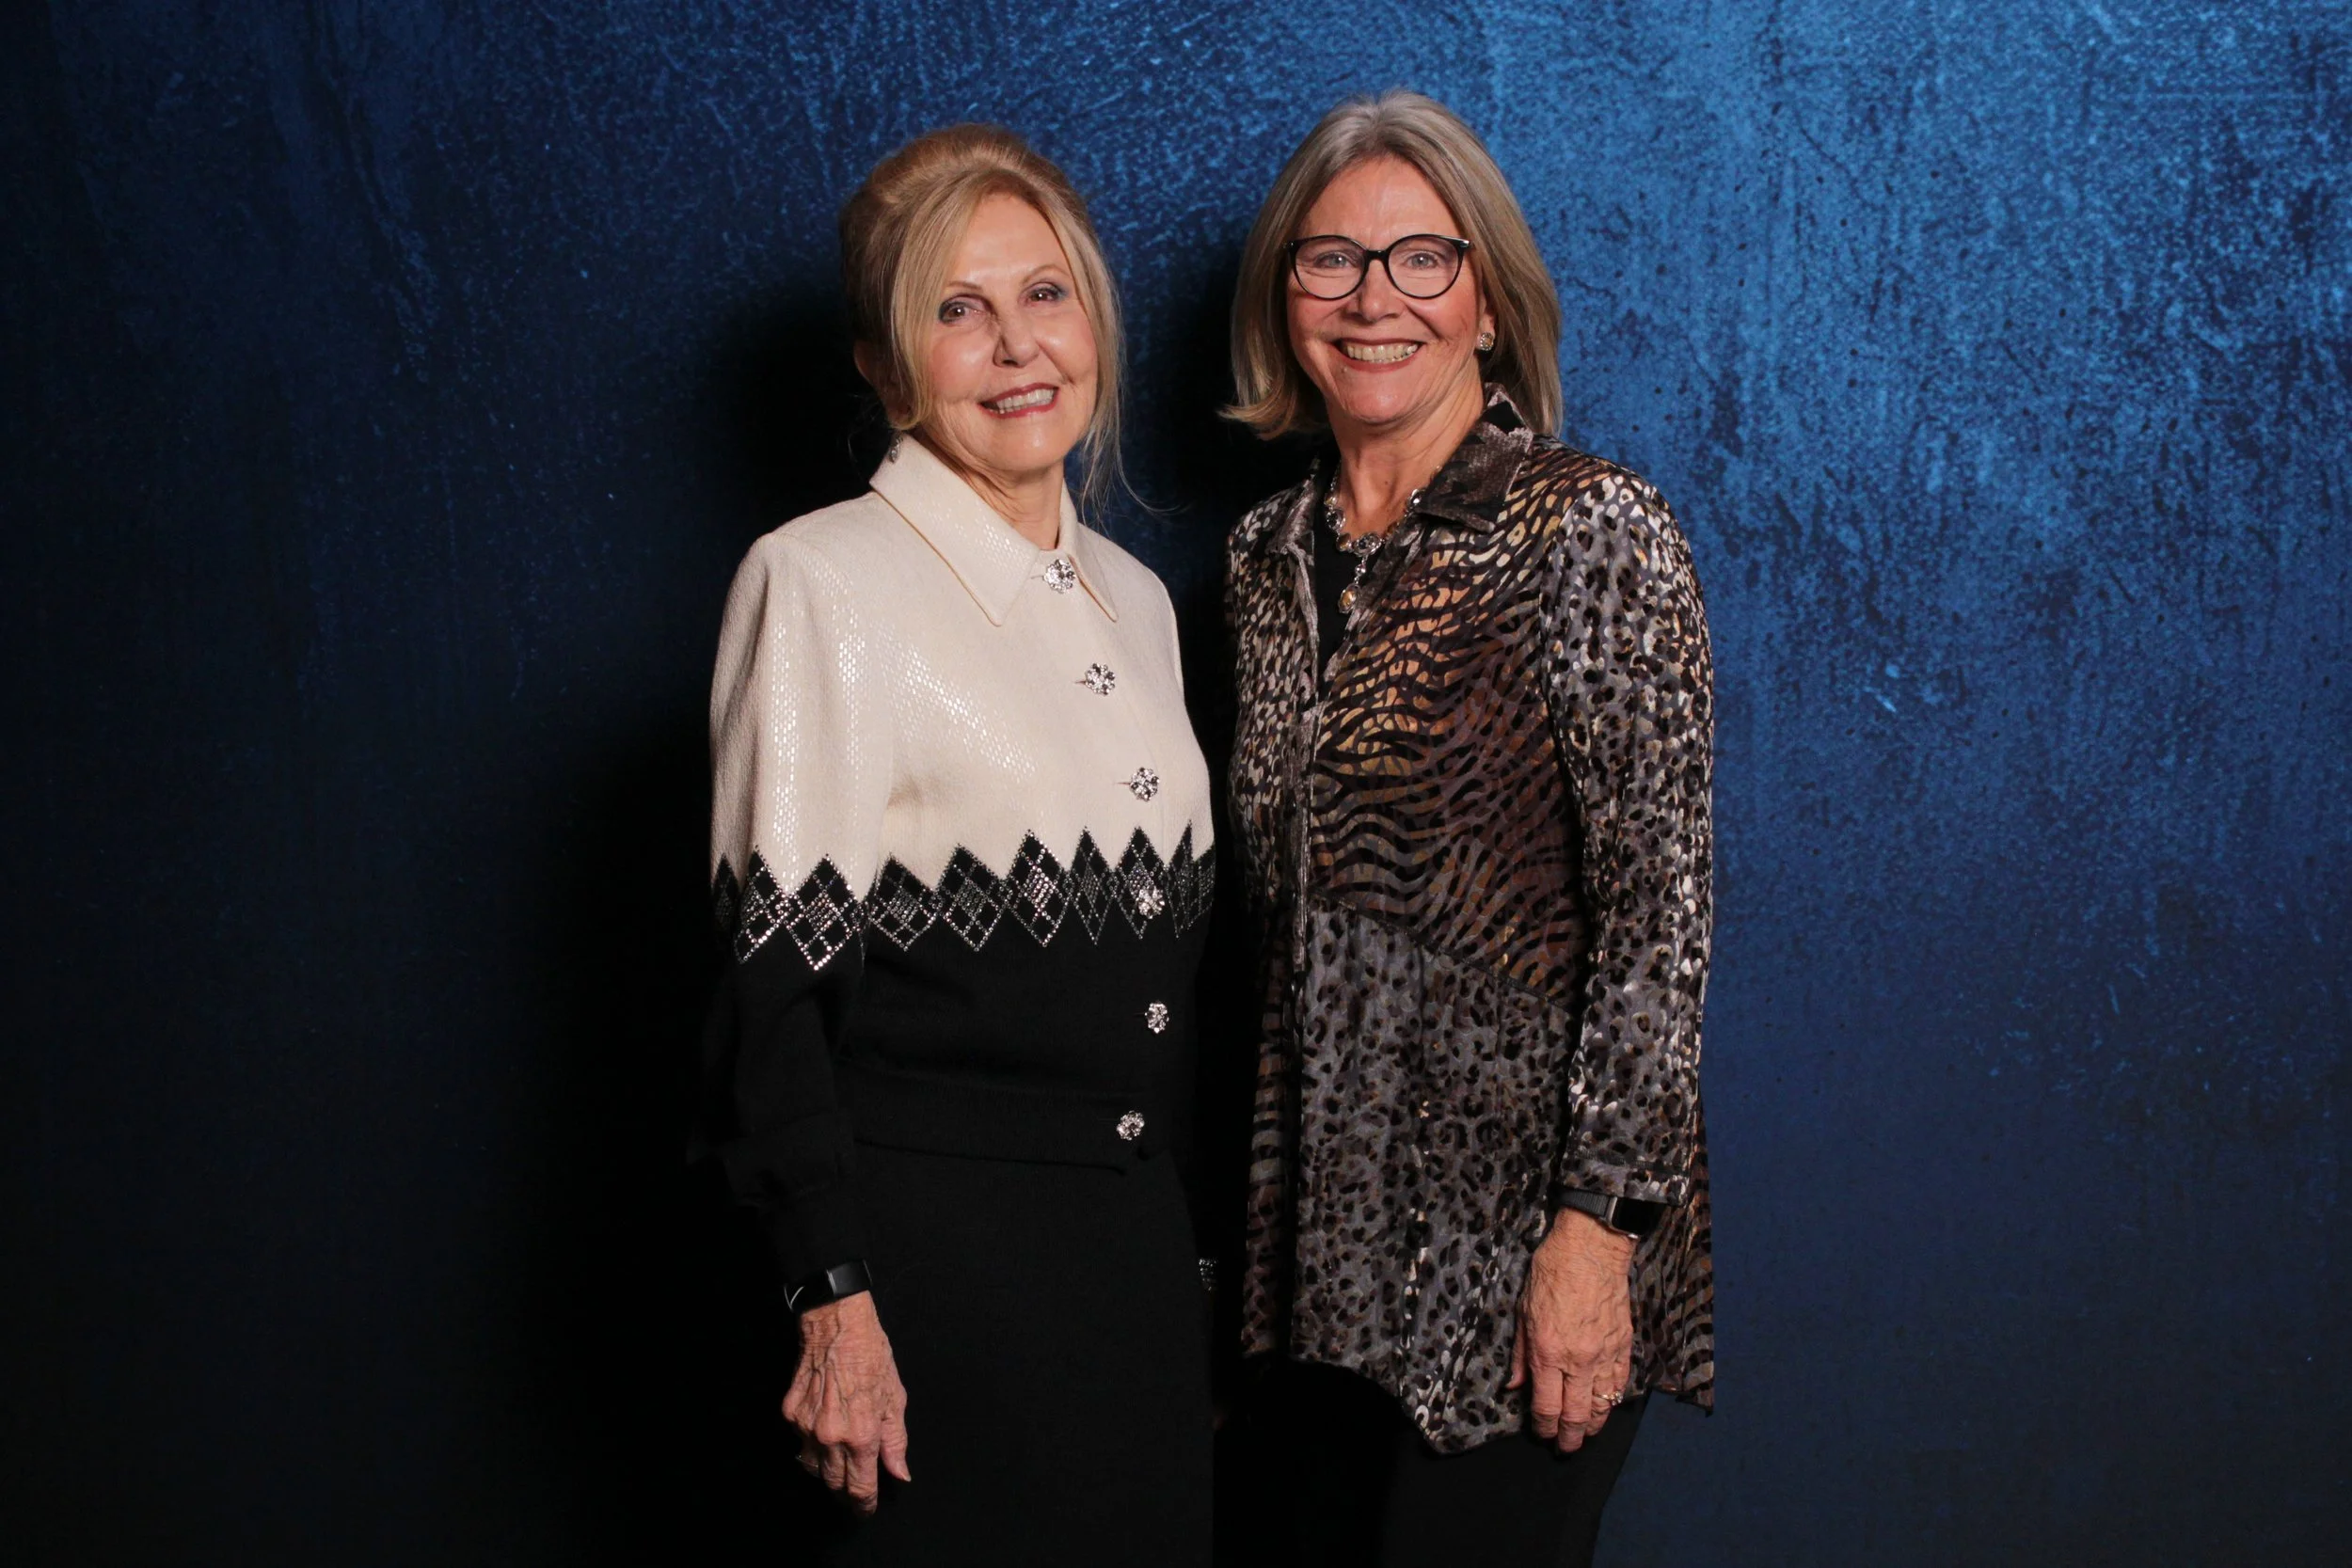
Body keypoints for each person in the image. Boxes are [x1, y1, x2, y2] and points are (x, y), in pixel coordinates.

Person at [696, 124, 1215, 1564]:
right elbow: (768, 996)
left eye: (1046, 293)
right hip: (928, 1284)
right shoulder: (819, 581)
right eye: (956, 308)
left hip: (1131, 1267)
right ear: (883, 364)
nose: (1017, 345)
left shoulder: (1138, 596)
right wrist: (832, 1296)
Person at [1218, 91, 1716, 1567]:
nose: (1374, 299)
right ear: (1286, 300)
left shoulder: (1590, 529)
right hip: (1307, 1260)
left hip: (1514, 1259)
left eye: (1422, 259)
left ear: (1487, 302)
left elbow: (1661, 918)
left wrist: (1595, 1234)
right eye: (1331, 260)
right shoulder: (1259, 562)